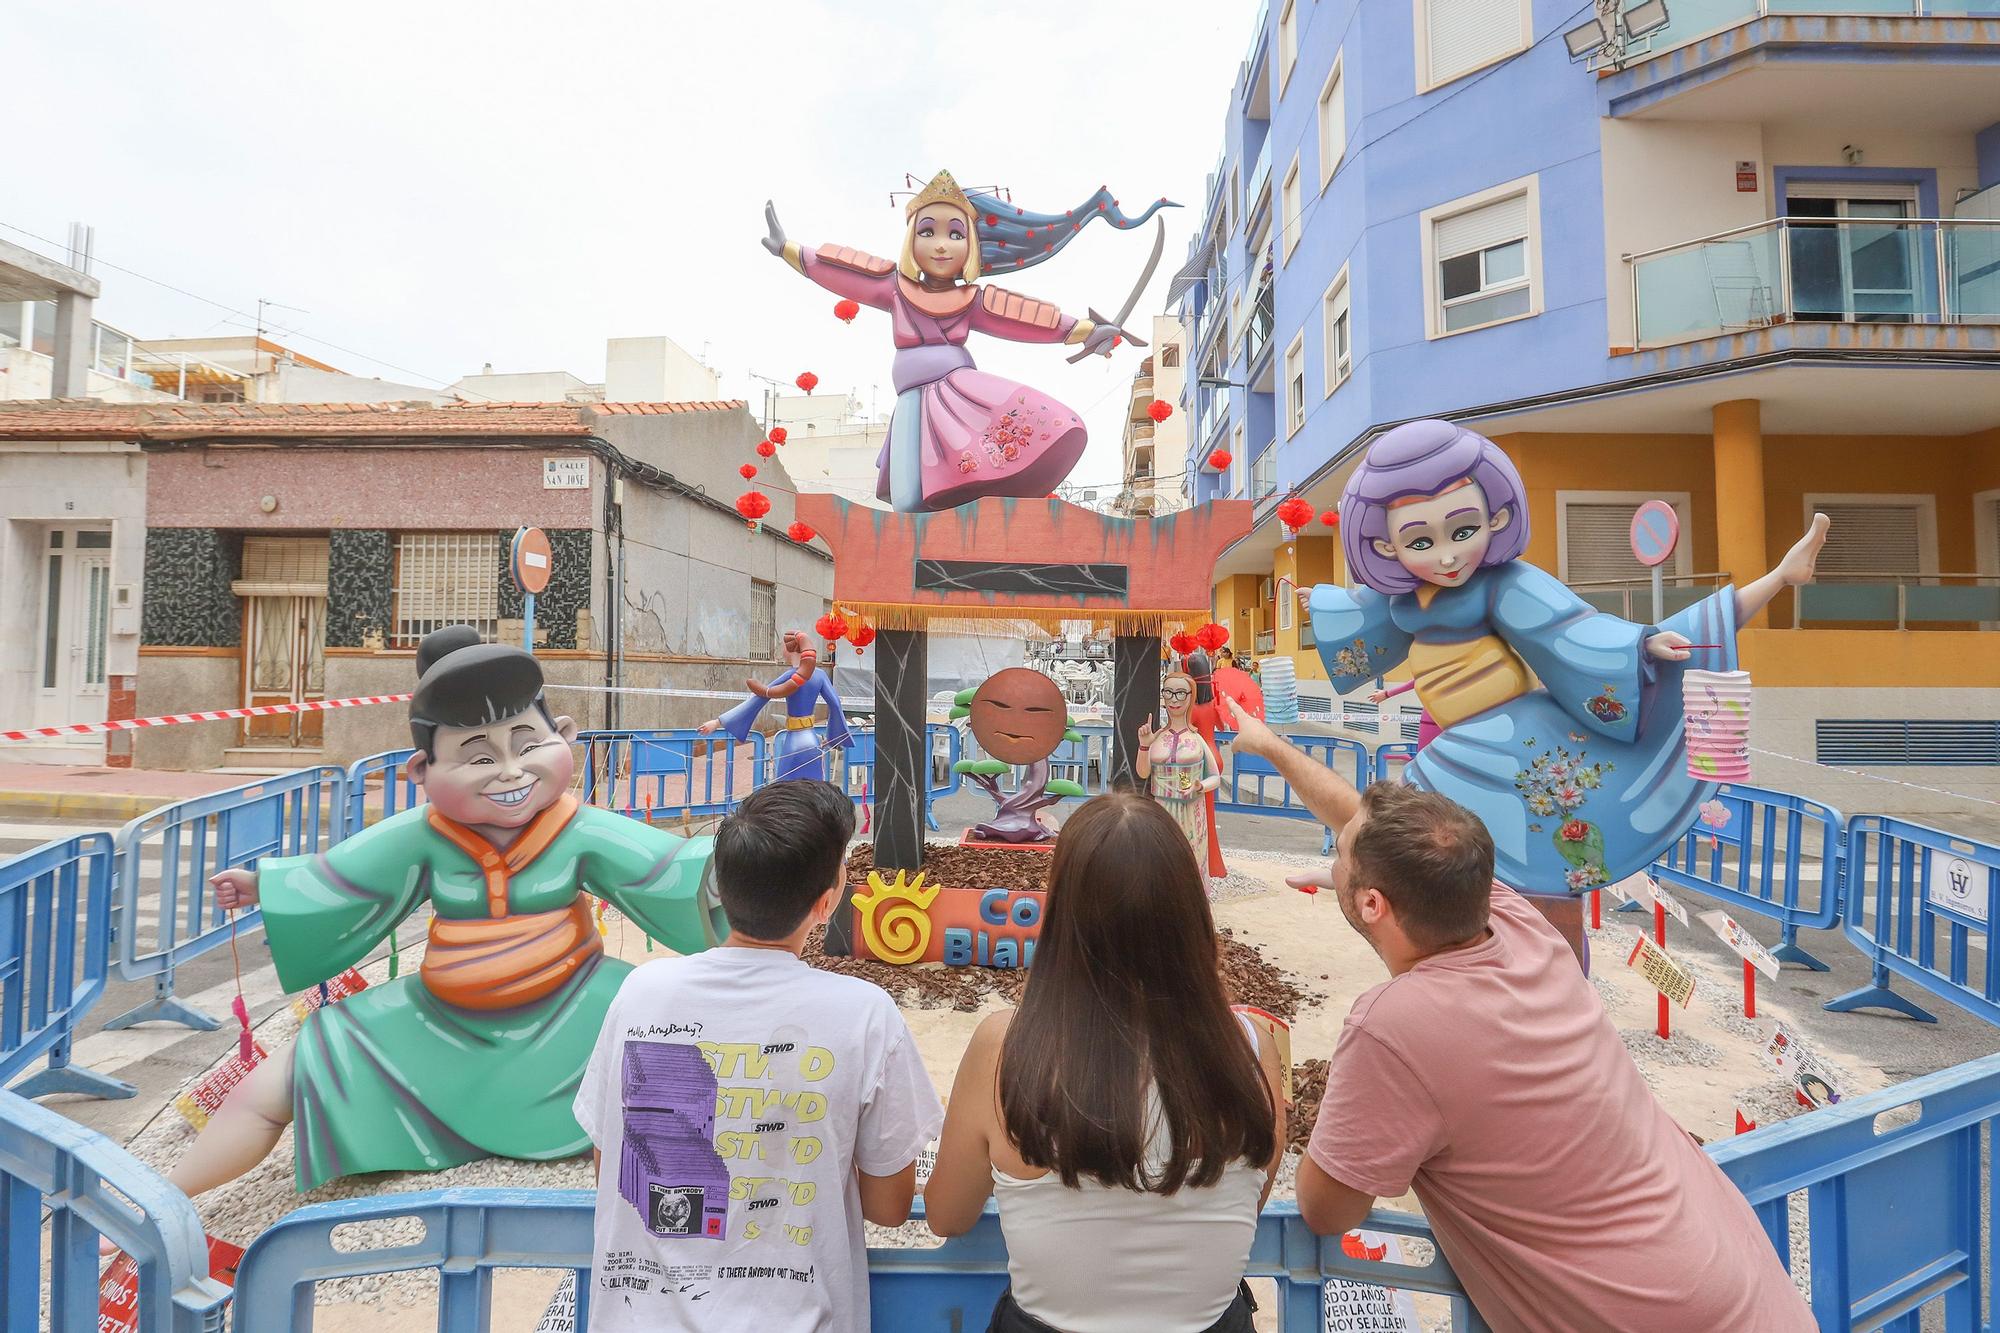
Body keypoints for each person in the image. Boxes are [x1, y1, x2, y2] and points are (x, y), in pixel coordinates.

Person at [1220, 694, 1813, 1332]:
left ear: (1372, 904)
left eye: (1341, 859)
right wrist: (1270, 745)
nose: (1335, 857)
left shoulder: (1392, 1025)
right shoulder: (1516, 924)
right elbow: (1368, 829)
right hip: (1747, 1290)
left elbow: (1325, 1209)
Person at [175, 627, 721, 1199]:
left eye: (527, 744)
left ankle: (682, 1204)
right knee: (290, 1073)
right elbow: (341, 881)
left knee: (663, 1028)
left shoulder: (578, 828)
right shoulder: (426, 836)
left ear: (564, 737)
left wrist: (750, 866)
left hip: (576, 1005)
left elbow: (670, 872)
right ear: (422, 771)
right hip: (440, 1021)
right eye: (478, 756)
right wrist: (266, 886)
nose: (510, 771)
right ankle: (166, 1198)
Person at [1303, 418, 1828, 893]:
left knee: (1507, 858)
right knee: (1420, 838)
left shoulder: (1505, 585)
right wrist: (1316, 605)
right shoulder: (1399, 598)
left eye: (1462, 531)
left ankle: (1780, 576)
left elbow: (1572, 631)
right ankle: (1347, 880)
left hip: (1507, 734)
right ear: (1388, 547)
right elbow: (1354, 618)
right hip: (1450, 738)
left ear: (1497, 515)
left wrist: (1642, 642)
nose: (1445, 554)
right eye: (1420, 540)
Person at [574, 779, 942, 1331]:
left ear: (720, 885)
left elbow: (611, 1164)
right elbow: (889, 1208)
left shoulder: (642, 994)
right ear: (826, 901)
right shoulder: (864, 1014)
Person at [925, 792, 1285, 1333]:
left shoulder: (1004, 1047)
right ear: (1189, 911)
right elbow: (1245, 1201)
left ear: (1062, 911)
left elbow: (948, 1215)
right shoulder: (1250, 1045)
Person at [761, 170, 1162, 510]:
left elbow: (1028, 317)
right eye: (927, 231)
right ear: (910, 241)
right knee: (908, 498)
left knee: (949, 478)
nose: (940, 243)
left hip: (959, 393)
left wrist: (1088, 331)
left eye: (954, 234)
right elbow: (845, 272)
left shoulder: (973, 300)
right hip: (912, 399)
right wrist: (788, 250)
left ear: (970, 244)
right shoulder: (892, 286)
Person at [699, 630, 852, 782]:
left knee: (786, 788)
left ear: (791, 649)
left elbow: (758, 699)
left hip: (794, 740)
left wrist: (718, 722)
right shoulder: (820, 675)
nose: (781, 651)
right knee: (815, 786)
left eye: (782, 647)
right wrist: (834, 736)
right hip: (811, 739)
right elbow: (835, 704)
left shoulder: (790, 676)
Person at [1136, 667, 1223, 876]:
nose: (1174, 699)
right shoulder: (1157, 738)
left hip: (1191, 809)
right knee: (1162, 858)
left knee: (1190, 857)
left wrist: (1201, 785)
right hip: (1162, 807)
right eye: (1168, 692)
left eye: (1180, 693)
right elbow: (1143, 773)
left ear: (1191, 697)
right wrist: (1144, 746)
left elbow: (1215, 777)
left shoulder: (1196, 739)